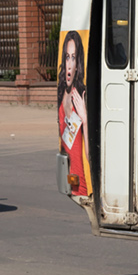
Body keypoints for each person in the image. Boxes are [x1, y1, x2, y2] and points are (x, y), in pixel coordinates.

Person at [57, 30, 88, 195]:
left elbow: (91, 156)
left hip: (82, 180)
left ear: (78, 64)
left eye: (73, 58)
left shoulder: (81, 97)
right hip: (69, 176)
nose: (69, 64)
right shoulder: (61, 94)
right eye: (67, 57)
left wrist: (85, 119)